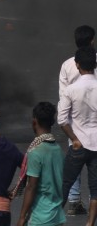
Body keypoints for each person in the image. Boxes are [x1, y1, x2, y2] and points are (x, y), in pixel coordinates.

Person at [58, 45, 97, 226]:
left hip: (78, 145)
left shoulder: (71, 90)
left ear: (77, 64)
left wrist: (73, 139)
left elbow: (62, 120)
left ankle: (54, 219)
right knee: (95, 189)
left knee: (65, 183)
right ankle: (90, 223)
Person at [12, 102, 64, 226]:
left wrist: (22, 217)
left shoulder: (36, 152)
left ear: (34, 121)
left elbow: (31, 186)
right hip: (57, 216)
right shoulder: (58, 150)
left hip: (41, 217)